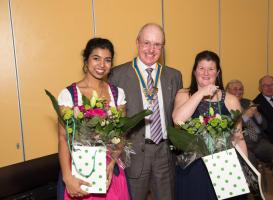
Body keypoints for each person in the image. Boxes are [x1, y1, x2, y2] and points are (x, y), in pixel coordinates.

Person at [109, 23, 183, 200]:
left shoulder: (174, 76)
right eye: (146, 43)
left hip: (165, 155)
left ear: (163, 47)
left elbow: (178, 117)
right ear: (137, 43)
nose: (151, 49)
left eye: (157, 44)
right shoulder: (117, 75)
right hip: (133, 155)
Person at [57, 38, 130, 200]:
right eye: (96, 58)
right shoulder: (69, 94)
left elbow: (121, 135)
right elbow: (63, 138)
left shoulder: (118, 94)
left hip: (109, 169)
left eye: (107, 60)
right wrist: (67, 177)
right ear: (86, 60)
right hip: (81, 167)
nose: (102, 65)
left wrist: (112, 163)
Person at [172, 51, 247, 200]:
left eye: (211, 69)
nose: (206, 73)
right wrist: (201, 93)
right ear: (194, 71)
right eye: (201, 68)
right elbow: (177, 120)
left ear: (217, 72)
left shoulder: (231, 100)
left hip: (224, 166)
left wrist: (244, 168)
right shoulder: (184, 94)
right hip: (194, 166)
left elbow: (238, 138)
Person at [226, 79, 273, 200]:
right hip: (242, 144)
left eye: (240, 89)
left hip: (259, 141)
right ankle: (255, 193)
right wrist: (246, 116)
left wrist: (256, 113)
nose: (238, 91)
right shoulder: (225, 105)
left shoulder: (248, 102)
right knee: (250, 162)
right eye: (235, 89)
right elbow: (231, 128)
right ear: (227, 91)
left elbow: (264, 126)